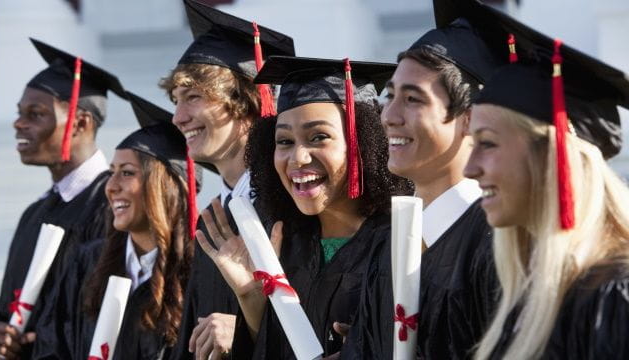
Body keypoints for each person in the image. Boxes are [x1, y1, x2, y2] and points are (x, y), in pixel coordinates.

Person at [197, 55, 413, 359]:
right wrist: (252, 299)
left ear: (363, 142)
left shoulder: (403, 244)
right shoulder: (285, 250)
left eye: (319, 137)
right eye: (284, 141)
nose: (298, 158)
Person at [461, 4, 629, 359]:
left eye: (487, 144)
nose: (469, 168)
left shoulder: (614, 294)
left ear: (553, 155)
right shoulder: (533, 290)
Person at [340, 9, 507, 359]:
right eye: (390, 96)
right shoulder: (389, 243)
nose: (388, 115)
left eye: (412, 99)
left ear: (470, 119)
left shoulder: (499, 244)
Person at [159, 1, 296, 358]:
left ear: (247, 100)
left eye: (192, 98)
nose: (177, 117)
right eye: (175, 101)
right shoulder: (214, 220)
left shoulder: (293, 204)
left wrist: (251, 330)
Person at [31, 92, 202, 359]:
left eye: (127, 173)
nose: (111, 187)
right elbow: (51, 347)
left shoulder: (199, 275)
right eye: (112, 173)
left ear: (165, 188)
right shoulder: (87, 263)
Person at [0, 39, 126, 360]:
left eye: (35, 114)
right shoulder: (34, 214)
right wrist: (0, 337)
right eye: (20, 113)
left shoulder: (115, 207)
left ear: (80, 122)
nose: (18, 123)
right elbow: (7, 310)